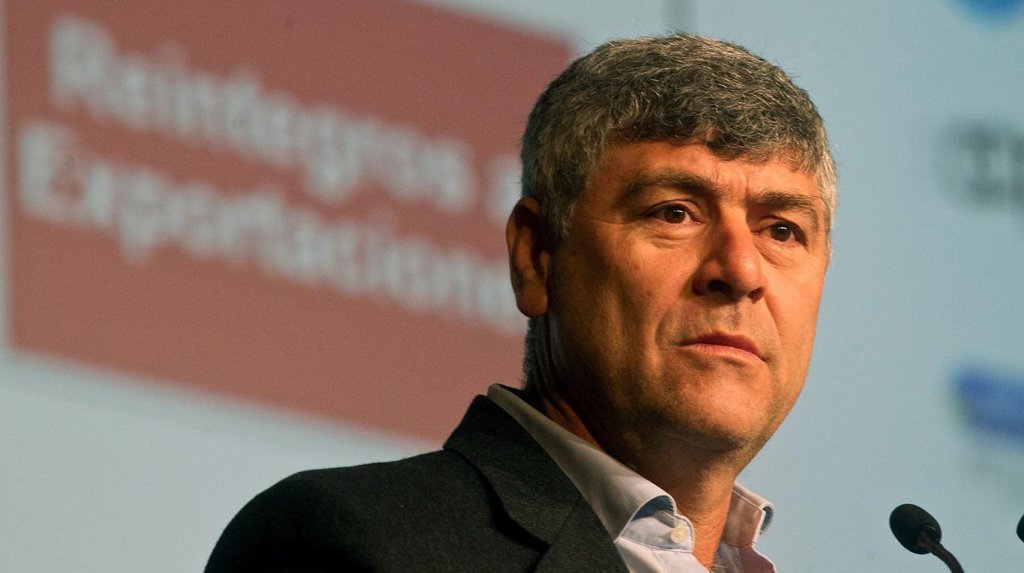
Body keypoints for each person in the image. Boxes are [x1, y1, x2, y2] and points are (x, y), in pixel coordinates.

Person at [206, 33, 836, 573]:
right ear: (535, 258)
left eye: (782, 230)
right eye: (674, 213)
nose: (740, 271)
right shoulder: (355, 544)